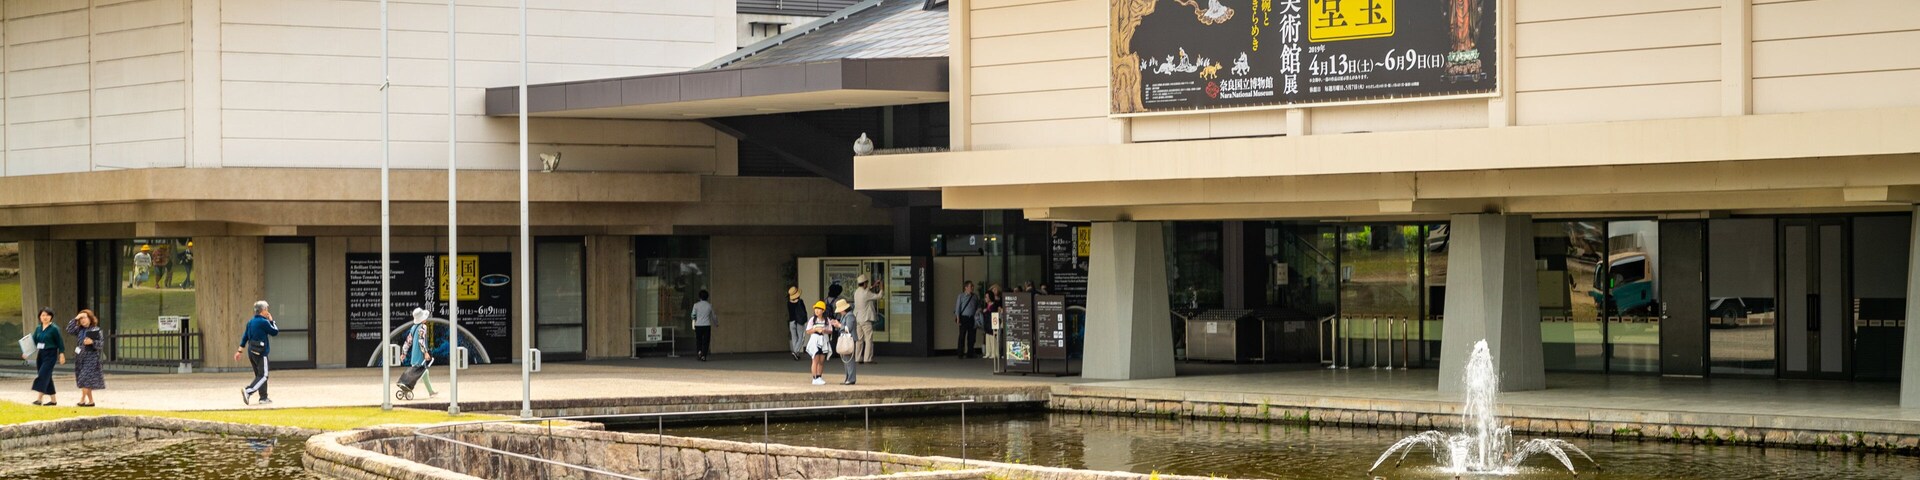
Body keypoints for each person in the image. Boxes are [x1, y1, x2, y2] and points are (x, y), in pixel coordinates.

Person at [235, 300, 279, 405]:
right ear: (263, 310)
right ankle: (248, 391)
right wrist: (272, 321)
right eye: (266, 309)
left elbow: (245, 337)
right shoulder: (264, 322)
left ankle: (263, 398)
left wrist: (239, 351)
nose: (268, 311)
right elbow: (275, 332)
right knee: (264, 375)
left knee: (259, 375)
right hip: (261, 352)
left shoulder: (250, 322)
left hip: (252, 351)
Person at [66, 309, 106, 407]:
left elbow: (101, 344)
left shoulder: (96, 330)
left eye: (84, 318)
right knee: (85, 380)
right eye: (81, 319)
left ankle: (82, 400)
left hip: (91, 357)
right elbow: (69, 329)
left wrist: (92, 342)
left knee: (84, 378)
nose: (82, 320)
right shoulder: (79, 330)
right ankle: (91, 401)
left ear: (90, 318)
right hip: (80, 357)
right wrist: (76, 318)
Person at [27, 308, 65, 406]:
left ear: (51, 317)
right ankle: (53, 400)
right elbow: (33, 341)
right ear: (40, 317)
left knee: (43, 374)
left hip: (51, 354)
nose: (45, 317)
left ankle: (39, 399)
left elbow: (60, 342)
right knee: (47, 376)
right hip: (41, 354)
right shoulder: (38, 328)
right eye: (43, 315)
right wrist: (26, 352)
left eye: (47, 315)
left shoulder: (54, 329)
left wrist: (61, 354)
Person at [402, 308, 438, 398]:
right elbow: (421, 341)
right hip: (420, 355)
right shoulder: (423, 327)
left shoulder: (413, 328)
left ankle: (430, 391)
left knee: (423, 372)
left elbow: (408, 341)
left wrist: (404, 353)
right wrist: (425, 352)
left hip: (414, 355)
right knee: (420, 372)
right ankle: (407, 387)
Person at [803, 301, 833, 385]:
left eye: (819, 309)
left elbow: (830, 331)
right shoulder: (812, 319)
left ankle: (819, 376)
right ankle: (814, 377)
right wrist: (815, 329)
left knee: (821, 360)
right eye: (816, 309)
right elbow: (808, 331)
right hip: (815, 340)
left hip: (824, 340)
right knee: (815, 359)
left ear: (823, 310)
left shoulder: (827, 320)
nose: (817, 311)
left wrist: (824, 330)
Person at [853, 274, 879, 364]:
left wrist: (873, 286)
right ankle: (867, 359)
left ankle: (858, 358)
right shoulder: (866, 293)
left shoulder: (857, 292)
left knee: (859, 340)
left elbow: (867, 290)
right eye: (867, 283)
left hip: (857, 318)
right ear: (864, 283)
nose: (867, 285)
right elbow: (878, 296)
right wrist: (882, 288)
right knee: (868, 339)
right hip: (865, 319)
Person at [953, 281, 981, 358]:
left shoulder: (975, 296)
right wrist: (958, 318)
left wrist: (978, 311)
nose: (972, 288)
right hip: (963, 317)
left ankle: (970, 353)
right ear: (966, 287)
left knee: (972, 336)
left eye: (972, 286)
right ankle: (960, 353)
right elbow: (957, 307)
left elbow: (978, 306)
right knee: (962, 335)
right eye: (970, 286)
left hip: (972, 318)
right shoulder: (961, 296)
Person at [836, 299, 858, 385]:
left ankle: (851, 378)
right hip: (846, 339)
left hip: (849, 339)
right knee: (846, 360)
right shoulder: (845, 315)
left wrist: (839, 325)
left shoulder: (850, 316)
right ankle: (848, 378)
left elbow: (848, 328)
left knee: (849, 360)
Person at [691, 290, 714, 361]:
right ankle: (704, 355)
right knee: (706, 341)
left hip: (698, 325)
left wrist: (693, 323)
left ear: (699, 297)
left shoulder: (696, 305)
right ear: (707, 297)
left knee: (699, 340)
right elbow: (713, 316)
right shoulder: (709, 305)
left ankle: (699, 351)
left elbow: (693, 315)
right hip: (707, 325)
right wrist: (716, 323)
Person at [786, 286, 807, 361]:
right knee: (801, 337)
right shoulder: (800, 302)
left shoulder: (788, 303)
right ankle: (795, 351)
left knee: (794, 337)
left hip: (791, 321)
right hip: (799, 321)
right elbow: (804, 312)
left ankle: (796, 354)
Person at [983, 284, 1004, 359]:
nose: (985, 298)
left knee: (993, 338)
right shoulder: (986, 305)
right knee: (987, 338)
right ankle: (988, 352)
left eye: (987, 297)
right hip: (987, 324)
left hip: (992, 324)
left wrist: (986, 311)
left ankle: (994, 353)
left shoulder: (994, 305)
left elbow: (994, 313)